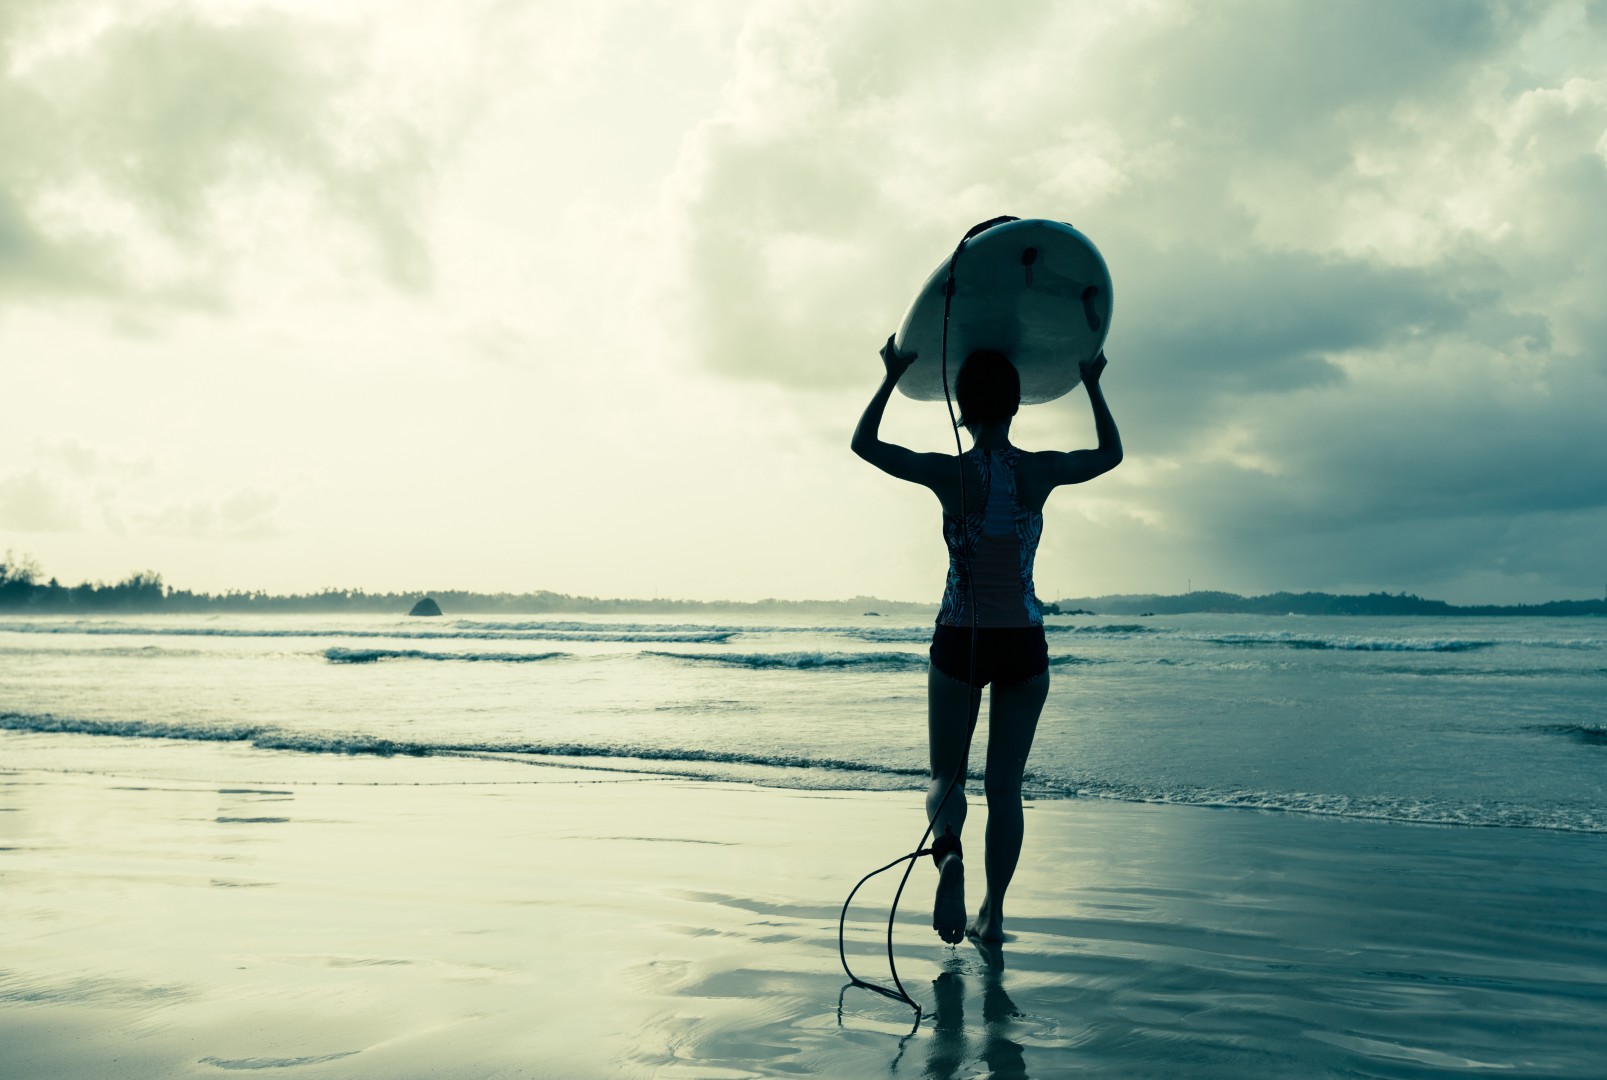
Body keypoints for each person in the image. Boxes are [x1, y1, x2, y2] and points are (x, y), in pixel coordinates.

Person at [850, 337, 1123, 943]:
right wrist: (1092, 383)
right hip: (1024, 642)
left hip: (960, 639)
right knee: (1005, 789)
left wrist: (892, 376)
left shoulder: (950, 472)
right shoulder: (1041, 469)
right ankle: (993, 915)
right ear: (1017, 406)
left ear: (962, 410)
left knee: (946, 776)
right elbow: (1110, 454)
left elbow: (864, 445)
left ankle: (949, 855)